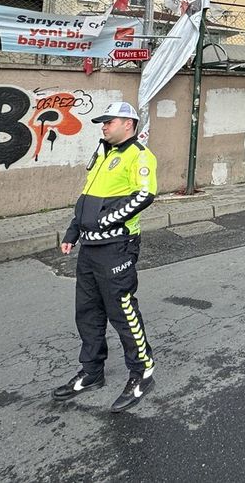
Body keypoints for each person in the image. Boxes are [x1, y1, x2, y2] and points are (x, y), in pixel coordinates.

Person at [55, 101, 158, 412]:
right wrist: (74, 231)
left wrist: (104, 221)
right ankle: (91, 371)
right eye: (103, 122)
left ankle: (142, 371)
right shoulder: (103, 154)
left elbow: (145, 194)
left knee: (122, 310)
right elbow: (86, 197)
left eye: (108, 121)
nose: (103, 126)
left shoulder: (139, 154)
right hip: (89, 249)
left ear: (128, 123)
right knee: (87, 312)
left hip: (117, 247)